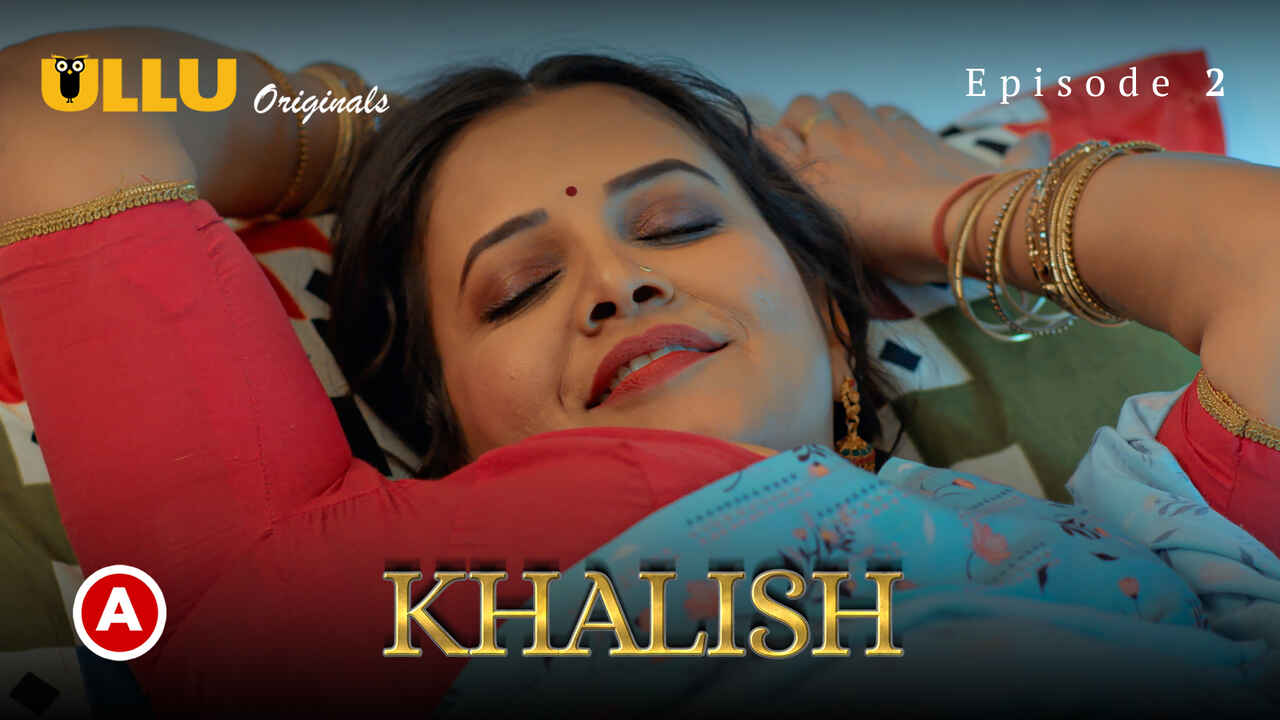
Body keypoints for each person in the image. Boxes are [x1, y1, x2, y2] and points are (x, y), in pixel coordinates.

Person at [0, 28, 1277, 716]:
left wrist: (955, 210)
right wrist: (347, 134)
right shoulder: (372, 590)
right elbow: (58, 107)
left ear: (831, 321)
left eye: (677, 222)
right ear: (449, 435)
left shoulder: (1111, 543)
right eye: (515, 288)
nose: (616, 284)